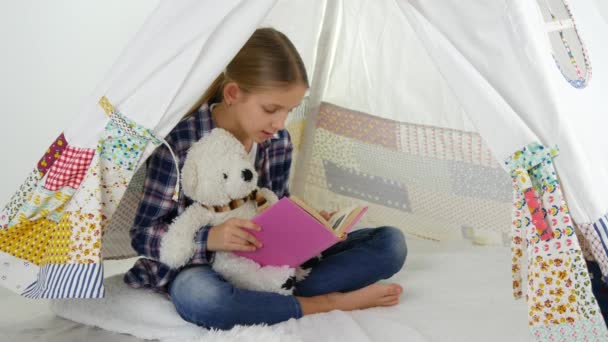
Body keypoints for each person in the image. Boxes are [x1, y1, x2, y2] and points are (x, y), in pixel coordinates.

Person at [124, 27, 407, 330]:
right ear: (233, 94)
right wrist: (210, 239)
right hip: (201, 269)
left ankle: (261, 300)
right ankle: (326, 302)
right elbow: (143, 234)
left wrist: (311, 225)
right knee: (204, 299)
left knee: (391, 244)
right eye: (271, 109)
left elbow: (274, 207)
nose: (280, 123)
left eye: (289, 110)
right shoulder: (180, 143)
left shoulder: (277, 141)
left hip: (267, 262)